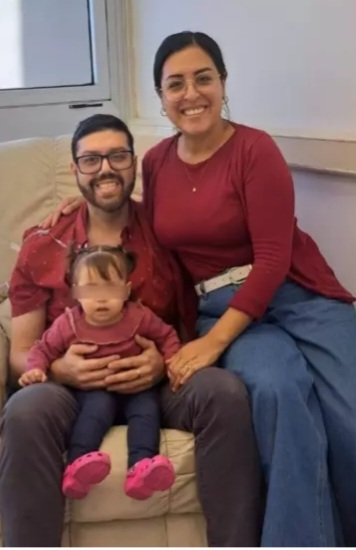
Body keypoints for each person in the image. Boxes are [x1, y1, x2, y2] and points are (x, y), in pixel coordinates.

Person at [46, 32, 356, 547]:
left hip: (296, 294)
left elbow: (274, 258)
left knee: (350, 410)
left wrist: (212, 344)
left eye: (203, 78)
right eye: (176, 84)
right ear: (161, 96)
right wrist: (81, 205)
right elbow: (139, 217)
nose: (191, 93)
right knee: (278, 392)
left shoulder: (255, 149)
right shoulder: (156, 162)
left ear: (223, 83)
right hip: (221, 306)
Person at [0, 113, 263, 547]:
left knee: (224, 393)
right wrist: (61, 370)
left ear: (133, 163)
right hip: (68, 391)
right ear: (75, 170)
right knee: (26, 410)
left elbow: (195, 315)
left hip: (159, 382)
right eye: (91, 160)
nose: (105, 169)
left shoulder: (167, 231)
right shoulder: (44, 243)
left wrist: (163, 364)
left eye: (117, 156)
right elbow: (21, 353)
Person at [21, 245, 180, 500]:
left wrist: (172, 360)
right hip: (93, 390)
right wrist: (35, 370)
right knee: (97, 407)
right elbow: (43, 348)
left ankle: (141, 468)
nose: (102, 298)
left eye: (111, 288)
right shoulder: (69, 324)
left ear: (126, 290)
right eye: (91, 289)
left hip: (136, 388)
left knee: (148, 410)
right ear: (76, 292)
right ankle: (77, 466)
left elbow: (167, 335)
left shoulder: (139, 317)